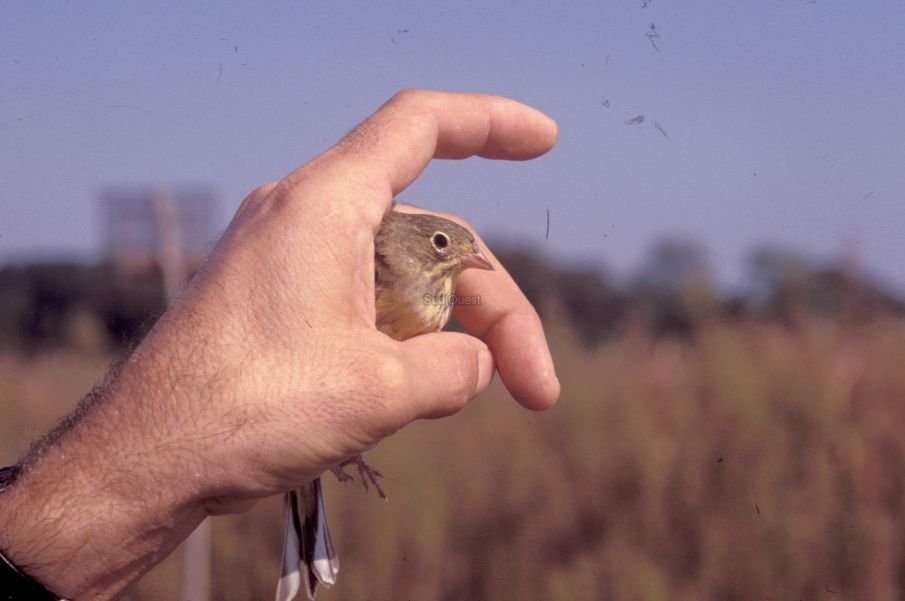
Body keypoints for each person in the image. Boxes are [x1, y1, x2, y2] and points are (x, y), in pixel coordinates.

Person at [0, 90, 560, 600]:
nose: (466, 259)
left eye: (464, 251)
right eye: (444, 244)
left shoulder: (441, 296)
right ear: (415, 243)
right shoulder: (379, 267)